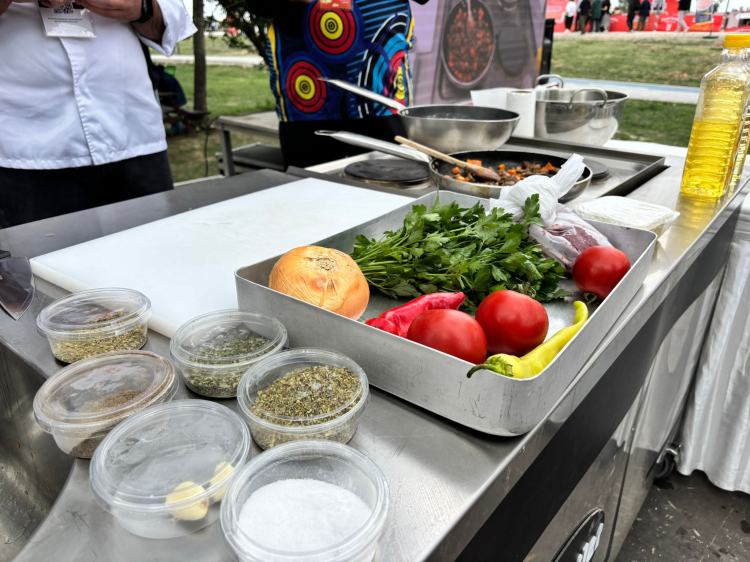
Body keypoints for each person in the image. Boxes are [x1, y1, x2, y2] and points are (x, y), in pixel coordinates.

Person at [0, 0, 195, 228]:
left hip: (135, 133)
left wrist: (143, 7)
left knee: (156, 244)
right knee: (44, 251)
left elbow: (173, 18)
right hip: (27, 151)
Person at [247, 0, 429, 169]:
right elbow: (258, 5)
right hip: (307, 101)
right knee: (310, 186)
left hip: (383, 99)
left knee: (392, 183)